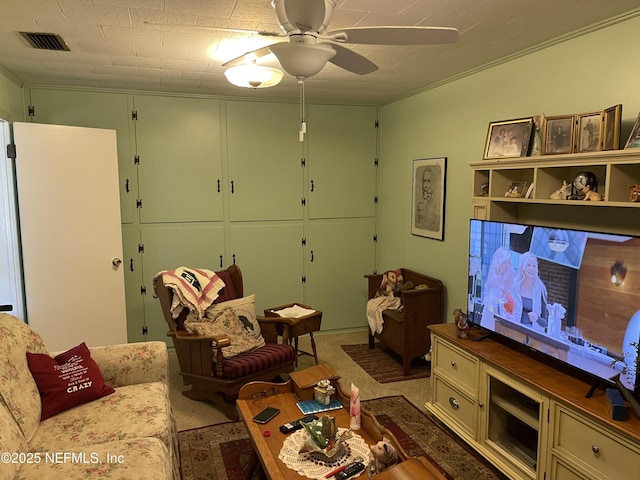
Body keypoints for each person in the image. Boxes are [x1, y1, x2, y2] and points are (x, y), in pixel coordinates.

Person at [480, 247, 518, 329]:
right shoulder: (494, 278)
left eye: (509, 263)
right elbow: (495, 304)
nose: (507, 266)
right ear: (499, 262)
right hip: (492, 324)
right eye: (504, 262)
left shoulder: (510, 282)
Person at [513, 252, 548, 328]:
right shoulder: (514, 287)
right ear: (523, 267)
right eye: (528, 265)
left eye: (534, 266)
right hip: (514, 330)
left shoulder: (541, 290)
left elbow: (545, 323)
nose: (531, 268)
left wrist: (537, 319)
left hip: (532, 334)